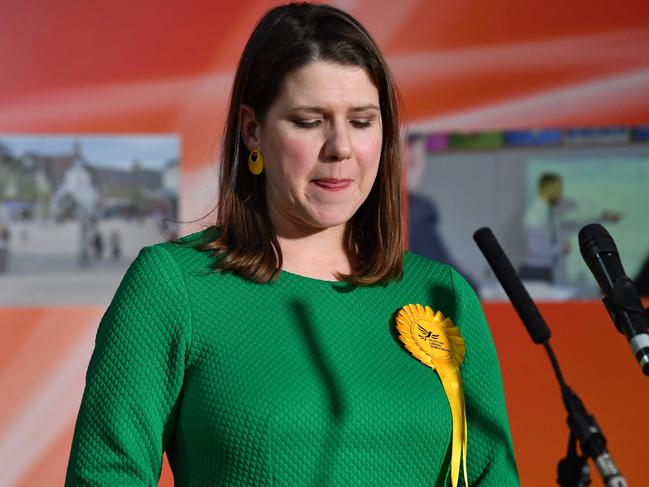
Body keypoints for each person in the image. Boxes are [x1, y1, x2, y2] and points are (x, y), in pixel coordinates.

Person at [66, 3, 518, 486]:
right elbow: (105, 476)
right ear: (252, 130)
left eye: (362, 121)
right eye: (309, 121)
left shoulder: (443, 293)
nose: (340, 146)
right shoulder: (174, 285)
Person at [520, 172, 621, 285]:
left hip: (546, 270)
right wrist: (559, 248)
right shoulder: (534, 215)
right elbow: (533, 248)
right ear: (547, 188)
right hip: (535, 271)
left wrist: (603, 217)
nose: (560, 193)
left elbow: (573, 224)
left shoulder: (551, 212)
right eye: (558, 188)